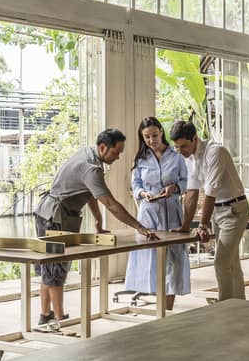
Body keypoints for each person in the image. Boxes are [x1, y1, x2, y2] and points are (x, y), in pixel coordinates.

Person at [33, 128, 158, 330]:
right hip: (54, 216)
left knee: (50, 268)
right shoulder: (92, 168)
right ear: (103, 147)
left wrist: (99, 221)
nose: (118, 157)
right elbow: (111, 204)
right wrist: (139, 226)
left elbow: (90, 194)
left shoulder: (87, 153)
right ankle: (59, 319)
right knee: (55, 268)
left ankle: (45, 315)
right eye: (116, 152)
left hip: (47, 212)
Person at [169, 120, 249, 302]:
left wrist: (203, 225)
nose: (180, 151)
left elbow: (210, 193)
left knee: (221, 262)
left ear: (195, 138)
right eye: (176, 147)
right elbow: (192, 192)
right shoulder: (189, 158)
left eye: (183, 146)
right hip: (219, 212)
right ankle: (239, 305)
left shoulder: (215, 152)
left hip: (234, 210)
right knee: (232, 262)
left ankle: (225, 306)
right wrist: (185, 226)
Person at [125, 117, 190, 310]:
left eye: (154, 135)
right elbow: (135, 185)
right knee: (150, 259)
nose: (151, 140)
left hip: (171, 211)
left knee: (173, 259)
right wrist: (142, 193)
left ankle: (166, 307)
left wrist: (175, 188)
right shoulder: (141, 158)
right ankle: (157, 305)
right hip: (149, 213)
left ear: (161, 131)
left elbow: (188, 182)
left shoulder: (177, 156)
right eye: (146, 137)